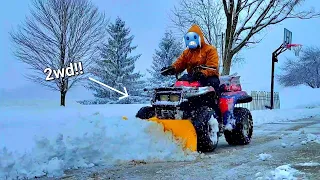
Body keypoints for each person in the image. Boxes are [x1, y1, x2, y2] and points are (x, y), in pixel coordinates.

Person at [161, 24, 220, 96]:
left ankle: (213, 104)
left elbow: (213, 67)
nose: (191, 41)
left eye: (194, 38)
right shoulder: (187, 53)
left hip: (207, 77)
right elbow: (180, 63)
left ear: (199, 38)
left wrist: (203, 73)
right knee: (178, 85)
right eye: (189, 39)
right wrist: (172, 69)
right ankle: (172, 102)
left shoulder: (210, 50)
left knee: (213, 83)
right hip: (192, 77)